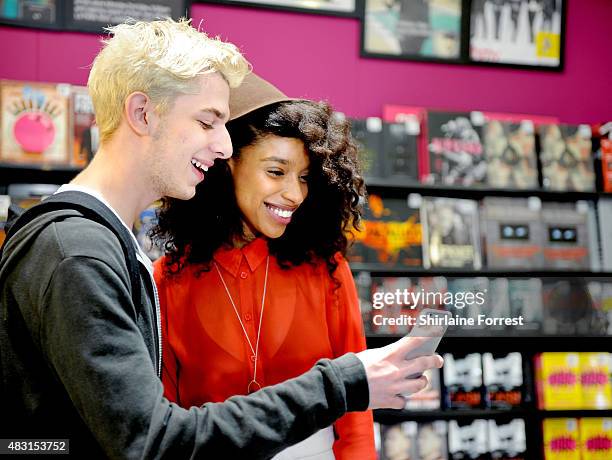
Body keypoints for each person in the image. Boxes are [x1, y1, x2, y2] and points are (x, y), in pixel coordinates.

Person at [0, 18, 443, 459]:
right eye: (207, 121)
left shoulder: (101, 244)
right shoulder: (78, 253)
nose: (224, 146)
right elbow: (151, 442)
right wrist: (343, 383)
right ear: (142, 114)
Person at [152, 74, 375, 459]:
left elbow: (356, 411)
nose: (295, 194)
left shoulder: (326, 270)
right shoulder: (168, 279)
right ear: (228, 164)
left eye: (305, 177)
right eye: (276, 171)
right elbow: (166, 420)